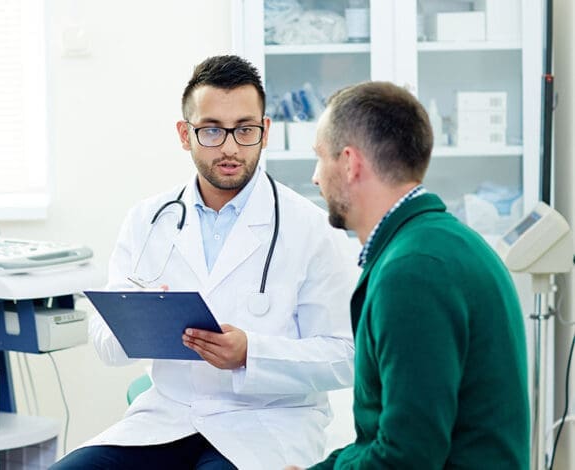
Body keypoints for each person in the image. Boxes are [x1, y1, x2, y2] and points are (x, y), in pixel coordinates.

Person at [52, 55, 358, 469]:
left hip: (267, 424)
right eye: (212, 130)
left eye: (245, 130)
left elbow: (344, 355)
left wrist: (252, 353)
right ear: (185, 134)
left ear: (265, 132)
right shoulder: (148, 219)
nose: (230, 147)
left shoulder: (310, 227)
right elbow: (105, 340)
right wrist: (136, 322)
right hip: (168, 418)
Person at [285, 81, 529, 469]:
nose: (316, 178)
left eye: (320, 158)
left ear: (350, 163)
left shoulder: (412, 272)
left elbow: (407, 455)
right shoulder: (443, 242)